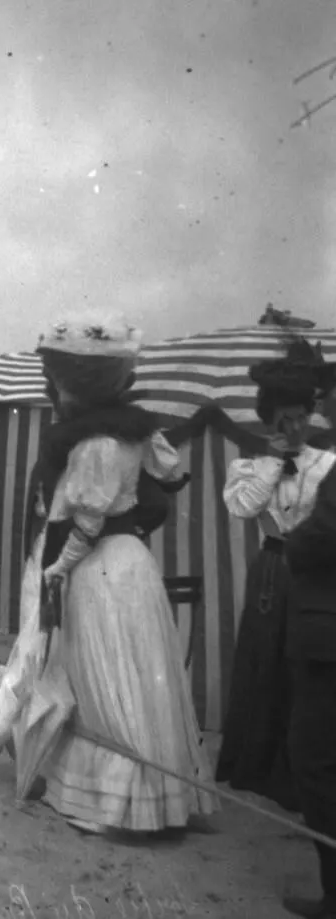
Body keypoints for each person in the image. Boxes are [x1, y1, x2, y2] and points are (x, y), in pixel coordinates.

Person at [2, 314, 216, 835]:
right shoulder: (136, 430)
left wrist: (57, 567)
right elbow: (169, 477)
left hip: (99, 566)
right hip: (130, 562)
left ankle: (120, 802)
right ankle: (148, 795)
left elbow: (86, 522)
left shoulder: (96, 442)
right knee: (128, 674)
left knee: (103, 679)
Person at [217, 336, 333, 812]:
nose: (295, 425)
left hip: (314, 572)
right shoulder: (249, 467)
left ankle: (297, 778)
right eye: (283, 418)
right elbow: (243, 508)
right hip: (270, 570)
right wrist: (272, 465)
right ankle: (259, 768)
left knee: (301, 671)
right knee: (265, 660)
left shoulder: (328, 464)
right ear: (269, 421)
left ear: (312, 414)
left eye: (301, 416)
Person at [280, 356, 336, 919]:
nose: (321, 409)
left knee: (317, 760)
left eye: (325, 400)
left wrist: (293, 543)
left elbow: (324, 535)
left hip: (328, 633)